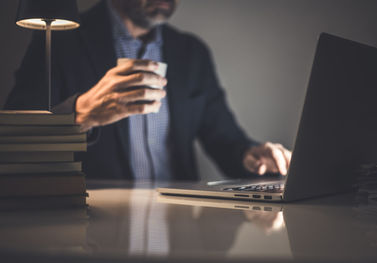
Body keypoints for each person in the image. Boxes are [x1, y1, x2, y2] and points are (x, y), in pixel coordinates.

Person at [5, 0, 291, 180]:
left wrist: (251, 155)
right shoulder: (62, 39)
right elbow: (12, 137)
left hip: (178, 229)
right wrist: (80, 113)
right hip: (91, 224)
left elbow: (224, 139)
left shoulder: (191, 53)